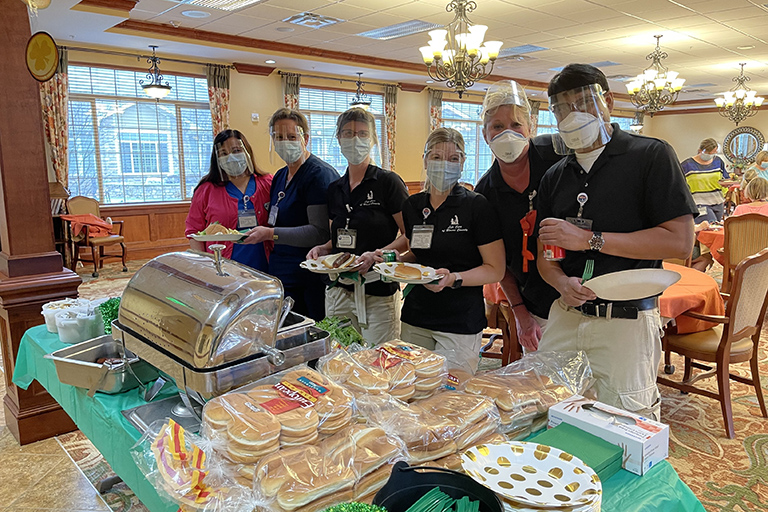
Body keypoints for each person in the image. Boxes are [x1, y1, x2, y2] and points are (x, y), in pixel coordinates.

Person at [535, 64, 697, 420]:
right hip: (567, 314)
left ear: (606, 101)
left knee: (627, 420)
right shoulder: (555, 175)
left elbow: (680, 242)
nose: (573, 115)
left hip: (626, 319)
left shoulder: (650, 156)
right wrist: (561, 282)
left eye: (582, 103)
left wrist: (590, 240)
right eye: (562, 109)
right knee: (546, 409)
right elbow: (546, 254)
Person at [398, 128, 506, 374]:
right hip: (416, 316)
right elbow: (419, 252)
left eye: (453, 158)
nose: (443, 164)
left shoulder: (476, 206)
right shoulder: (413, 206)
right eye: (436, 157)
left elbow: (495, 269)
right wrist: (395, 261)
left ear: (462, 163)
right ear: (425, 161)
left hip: (460, 320)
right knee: (412, 388)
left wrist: (454, 279)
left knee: (452, 398)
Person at [307, 108, 409, 344]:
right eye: (348, 133)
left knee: (379, 360)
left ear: (373, 139)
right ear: (339, 139)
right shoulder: (335, 188)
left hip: (377, 290)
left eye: (362, 134)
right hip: (339, 290)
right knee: (340, 359)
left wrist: (379, 254)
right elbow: (337, 237)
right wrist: (323, 249)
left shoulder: (388, 183)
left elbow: (409, 234)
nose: (355, 139)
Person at [474, 80, 562, 351]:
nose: (507, 133)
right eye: (497, 127)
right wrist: (520, 314)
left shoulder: (557, 156)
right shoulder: (485, 193)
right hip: (533, 302)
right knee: (543, 384)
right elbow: (499, 264)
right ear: (485, 134)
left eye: (515, 125)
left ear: (530, 128)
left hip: (581, 292)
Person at [242, 108, 338, 320]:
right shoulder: (280, 176)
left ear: (306, 138)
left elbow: (320, 232)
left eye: (292, 137)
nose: (285, 142)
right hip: (282, 271)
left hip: (308, 273)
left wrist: (270, 234)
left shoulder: (318, 175)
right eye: (279, 137)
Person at [186, 129, 272, 271]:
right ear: (217, 158)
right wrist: (204, 266)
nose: (231, 157)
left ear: (247, 152)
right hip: (223, 267)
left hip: (265, 265)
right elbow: (194, 231)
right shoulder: (206, 190)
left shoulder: (268, 183)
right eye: (224, 154)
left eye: (237, 150)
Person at [680, 137, 729, 223]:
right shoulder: (687, 165)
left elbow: (725, 178)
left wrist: (726, 184)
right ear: (700, 150)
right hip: (699, 202)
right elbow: (679, 184)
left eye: (713, 153)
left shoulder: (718, 162)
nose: (710, 155)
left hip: (717, 202)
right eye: (708, 153)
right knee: (709, 225)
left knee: (715, 230)